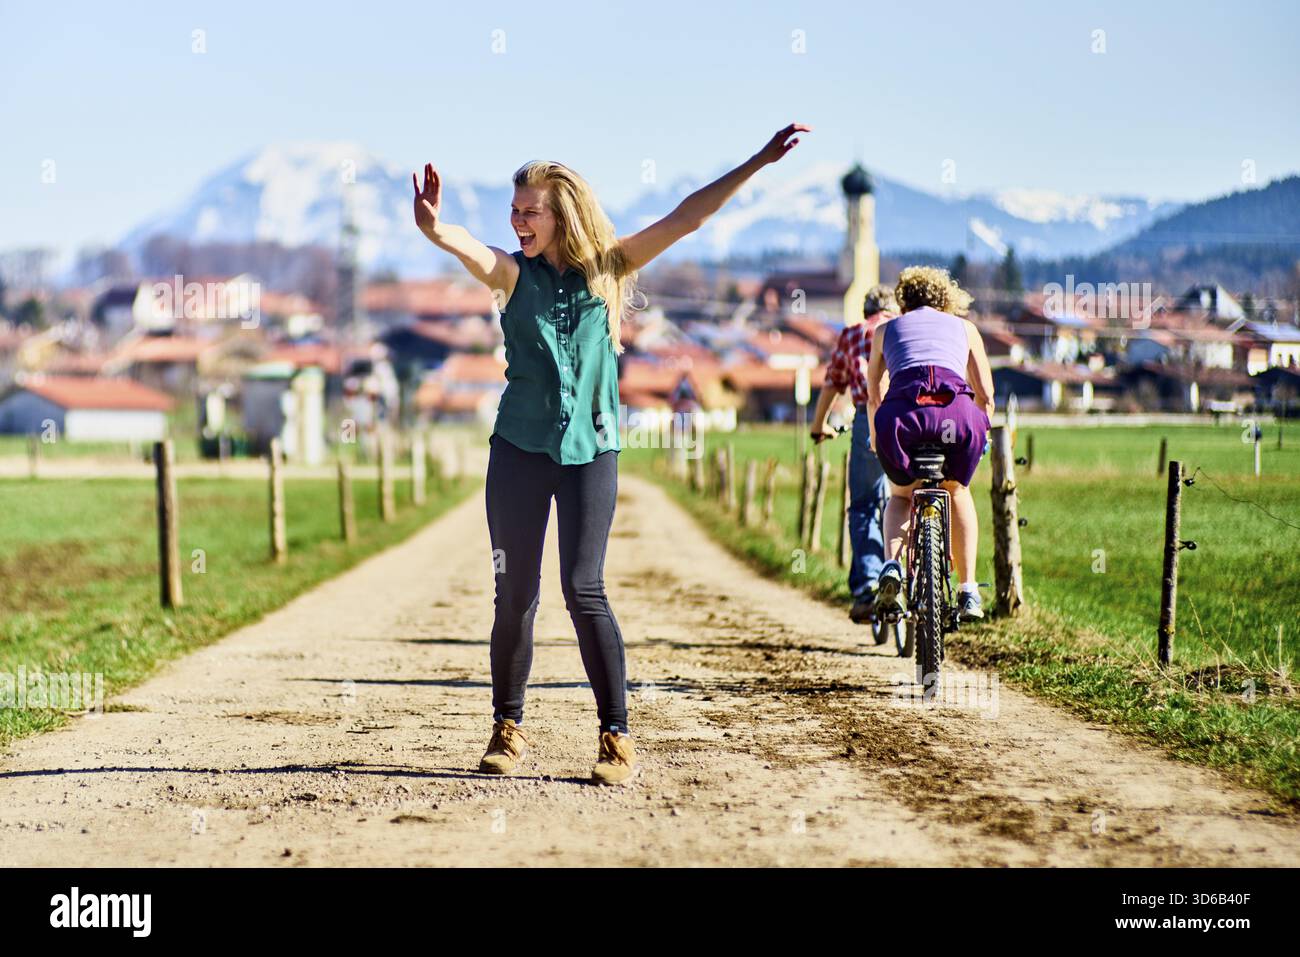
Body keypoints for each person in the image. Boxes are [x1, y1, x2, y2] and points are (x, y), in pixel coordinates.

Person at [411, 124, 811, 785]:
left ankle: (615, 736)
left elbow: (689, 216)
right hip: (518, 448)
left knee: (583, 587)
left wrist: (758, 162)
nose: (518, 222)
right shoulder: (513, 274)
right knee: (515, 592)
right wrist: (433, 228)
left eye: (529, 210)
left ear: (560, 212)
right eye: (514, 211)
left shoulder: (611, 268)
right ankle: (507, 729)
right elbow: (469, 251)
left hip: (591, 449)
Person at [865, 266, 994, 621]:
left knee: (901, 496)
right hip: (957, 417)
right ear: (946, 300)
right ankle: (968, 592)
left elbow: (873, 393)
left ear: (903, 301)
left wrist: (879, 437)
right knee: (957, 491)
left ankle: (892, 567)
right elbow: (987, 393)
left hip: (902, 418)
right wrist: (981, 433)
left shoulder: (885, 330)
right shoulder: (966, 328)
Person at [810, 284, 897, 623]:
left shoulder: (853, 334)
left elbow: (833, 382)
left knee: (862, 505)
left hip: (868, 420)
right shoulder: (904, 328)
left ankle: (867, 587)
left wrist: (819, 426)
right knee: (907, 497)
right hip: (911, 418)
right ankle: (920, 574)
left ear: (866, 310)